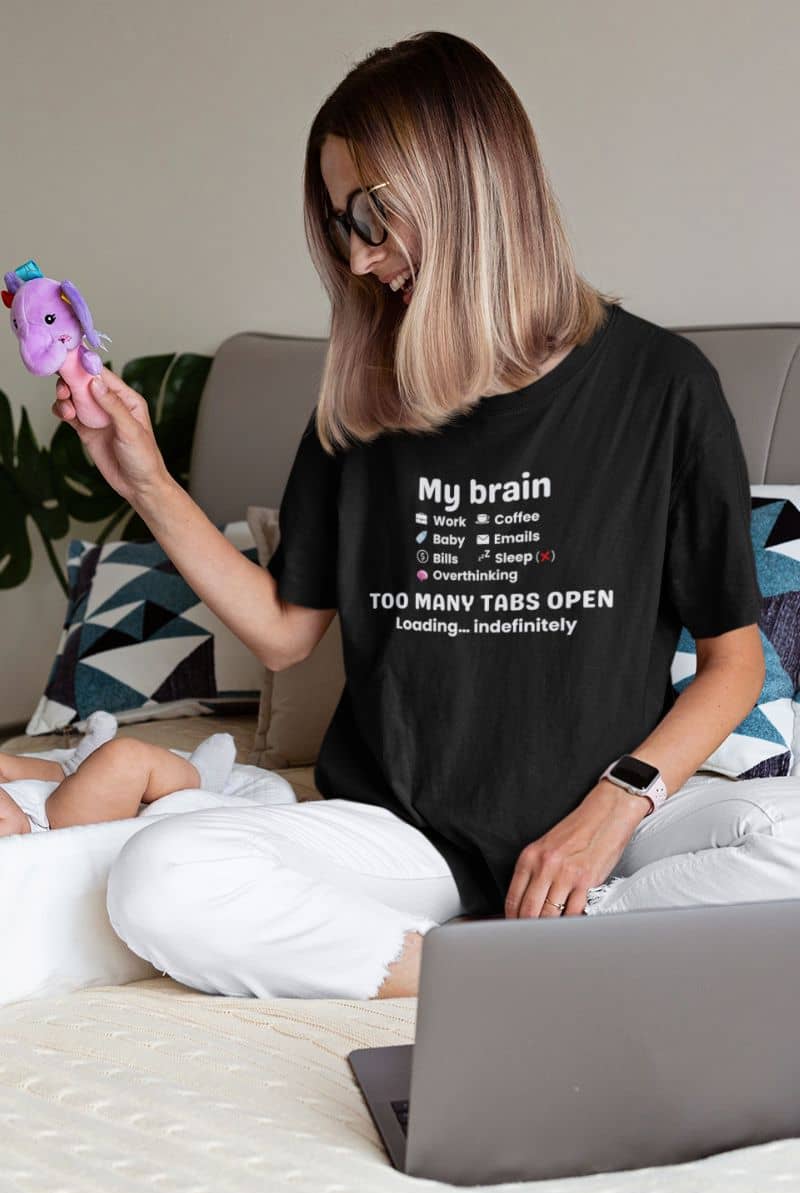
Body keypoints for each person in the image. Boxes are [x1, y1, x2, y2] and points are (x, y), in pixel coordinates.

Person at [51, 31, 800, 1003]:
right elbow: (286, 637)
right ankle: (517, 968)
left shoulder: (659, 387)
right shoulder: (359, 405)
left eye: (374, 217)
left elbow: (732, 662)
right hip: (401, 834)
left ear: (470, 185)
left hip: (611, 832)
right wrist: (145, 478)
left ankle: (571, 934)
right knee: (162, 879)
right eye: (338, 226)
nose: (358, 259)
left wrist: (616, 806)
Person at [0, 711, 238, 835]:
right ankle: (199, 779)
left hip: (33, 799)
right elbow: (14, 827)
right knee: (124, 757)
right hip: (53, 824)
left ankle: (68, 771)